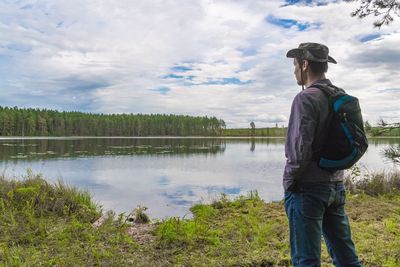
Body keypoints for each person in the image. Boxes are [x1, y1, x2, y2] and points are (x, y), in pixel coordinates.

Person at [283, 43, 362, 267]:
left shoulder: (305, 98)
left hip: (307, 189)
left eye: (295, 65)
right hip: (336, 185)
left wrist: (289, 182)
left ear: (305, 64)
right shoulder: (338, 95)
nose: (294, 70)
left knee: (306, 259)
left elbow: (299, 151)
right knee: (347, 256)